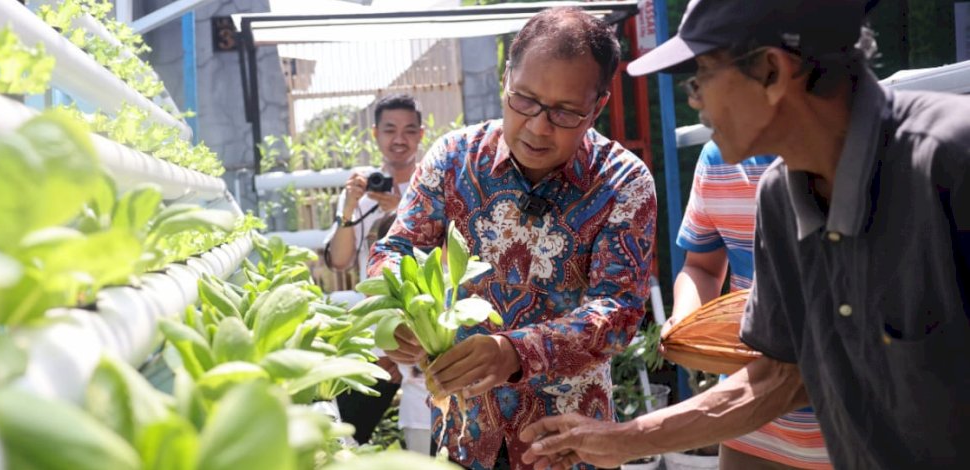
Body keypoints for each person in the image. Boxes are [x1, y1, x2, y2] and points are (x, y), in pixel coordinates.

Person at [519, 0, 970, 469]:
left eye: (703, 76)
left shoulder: (951, 164)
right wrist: (623, 439)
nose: (696, 101)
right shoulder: (779, 199)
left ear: (772, 71)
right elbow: (779, 375)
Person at [367, 7, 657, 469]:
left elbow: (619, 310)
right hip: (462, 433)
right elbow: (397, 250)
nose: (539, 127)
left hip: (566, 443)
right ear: (506, 79)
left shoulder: (622, 182)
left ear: (598, 105)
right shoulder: (453, 160)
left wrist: (515, 352)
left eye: (565, 111)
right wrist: (398, 311)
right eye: (524, 100)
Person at [669, 140, 831, 469]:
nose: (699, 104)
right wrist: (684, 325)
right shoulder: (718, 157)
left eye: (704, 86)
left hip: (855, 428)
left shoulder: (852, 155)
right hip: (749, 424)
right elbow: (701, 266)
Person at [323, 94, 433, 453]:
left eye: (408, 130)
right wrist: (351, 206)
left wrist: (401, 209)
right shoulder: (365, 190)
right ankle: (349, 445)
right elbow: (339, 261)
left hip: (425, 312)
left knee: (415, 377)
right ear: (375, 134)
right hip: (376, 315)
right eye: (389, 130)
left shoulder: (433, 186)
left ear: (421, 135)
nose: (398, 139)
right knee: (373, 372)